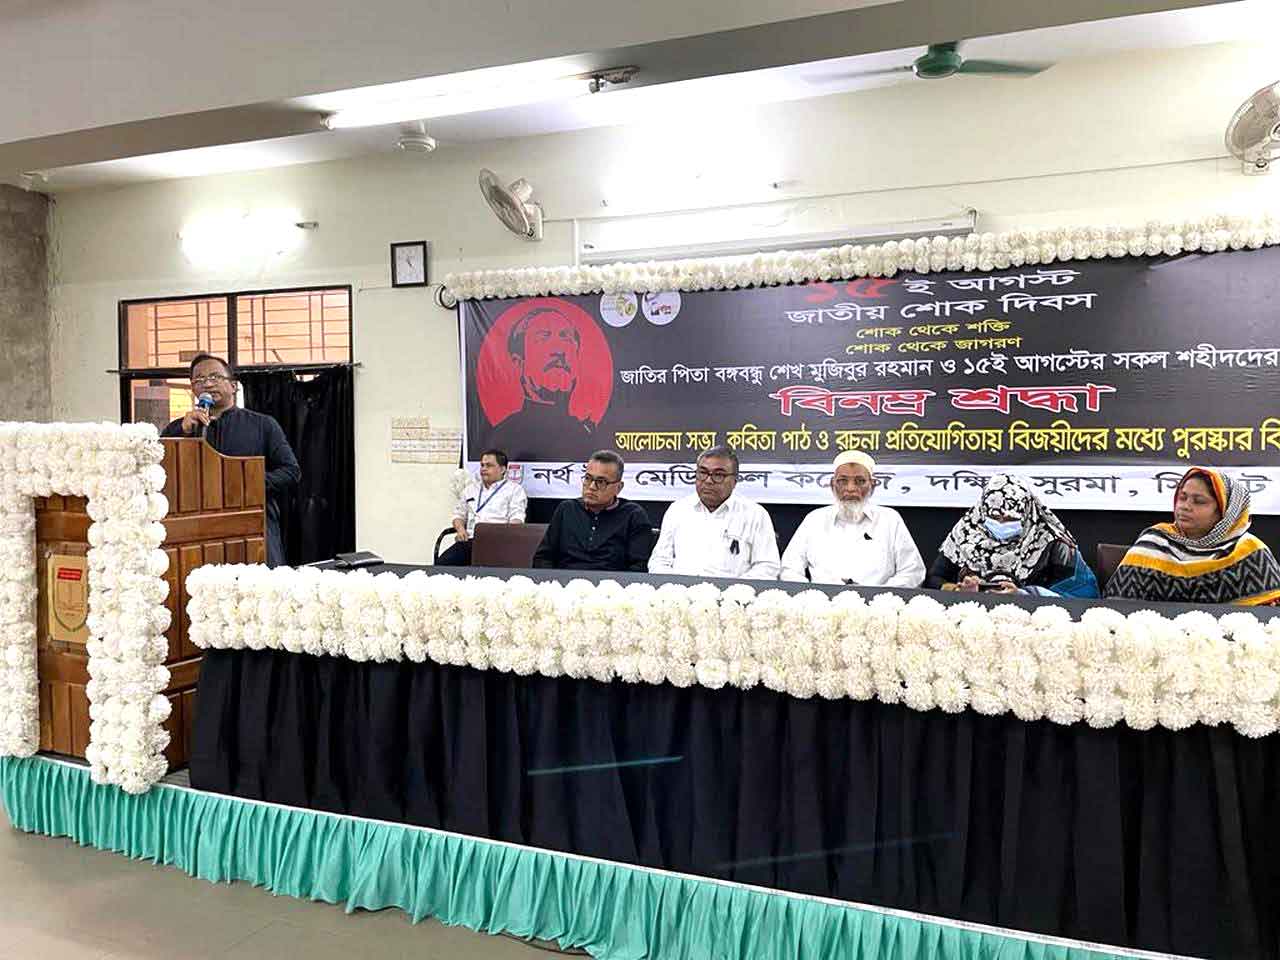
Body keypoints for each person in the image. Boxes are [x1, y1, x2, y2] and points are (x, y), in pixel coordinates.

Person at [161, 353, 300, 567]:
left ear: (233, 386)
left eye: (215, 377)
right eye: (199, 379)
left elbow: (290, 472)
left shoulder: (263, 425)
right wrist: (182, 432)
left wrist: (243, 483)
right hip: (196, 532)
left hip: (252, 527)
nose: (207, 384)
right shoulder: (179, 428)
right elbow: (160, 474)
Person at [1105, 466, 1280, 605]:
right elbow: (1116, 608)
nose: (1185, 506)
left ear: (1225, 512)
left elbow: (1268, 622)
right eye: (1182, 497)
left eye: (1199, 501)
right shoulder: (1153, 543)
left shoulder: (1251, 553)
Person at [928, 473, 1099, 598]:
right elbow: (934, 579)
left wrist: (1024, 595)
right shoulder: (966, 533)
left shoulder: (1051, 541)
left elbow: (1083, 593)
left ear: (1027, 514)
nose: (1001, 523)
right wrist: (957, 590)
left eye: (1011, 518)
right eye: (994, 517)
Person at [781, 451, 925, 587]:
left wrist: (879, 595)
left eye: (860, 481)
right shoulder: (814, 520)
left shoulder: (890, 520)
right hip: (820, 603)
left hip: (878, 603)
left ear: (872, 485)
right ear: (832, 485)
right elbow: (790, 569)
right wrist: (811, 596)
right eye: (843, 481)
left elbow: (913, 571)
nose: (850, 488)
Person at [648, 445, 779, 580]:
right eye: (702, 473)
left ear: (734, 481)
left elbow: (767, 567)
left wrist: (734, 588)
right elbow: (659, 561)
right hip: (680, 590)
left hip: (733, 591)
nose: (708, 481)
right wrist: (676, 586)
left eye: (718, 475)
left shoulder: (755, 515)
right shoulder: (677, 510)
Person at [488, 305, 596, 460]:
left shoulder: (587, 437)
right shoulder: (504, 436)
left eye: (566, 337)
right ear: (519, 362)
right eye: (543, 337)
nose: (559, 350)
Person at [533, 450, 653, 571]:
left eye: (601, 482)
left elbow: (639, 567)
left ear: (618, 487)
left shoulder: (633, 515)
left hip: (612, 581)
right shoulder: (566, 509)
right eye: (588, 478)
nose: (591, 487)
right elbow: (542, 558)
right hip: (565, 580)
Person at [438, 449, 528, 566]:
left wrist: (506, 535)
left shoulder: (514, 490)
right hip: (470, 540)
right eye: (482, 465)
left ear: (502, 469)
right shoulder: (471, 489)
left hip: (498, 543)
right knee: (442, 565)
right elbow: (458, 515)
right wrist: (460, 529)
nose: (483, 469)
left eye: (489, 465)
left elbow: (517, 518)